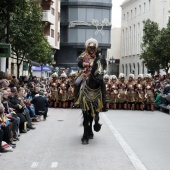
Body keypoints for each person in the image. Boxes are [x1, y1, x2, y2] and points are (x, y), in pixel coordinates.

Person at [74, 38, 107, 111]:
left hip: (96, 75)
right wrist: (83, 64)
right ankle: (76, 100)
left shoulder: (98, 57)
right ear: (87, 48)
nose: (92, 49)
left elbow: (104, 64)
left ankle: (104, 102)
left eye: (93, 48)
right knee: (76, 83)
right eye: (90, 48)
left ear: (95, 48)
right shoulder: (83, 55)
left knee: (103, 83)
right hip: (84, 73)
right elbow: (79, 63)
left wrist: (101, 68)